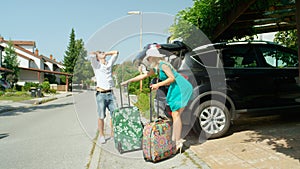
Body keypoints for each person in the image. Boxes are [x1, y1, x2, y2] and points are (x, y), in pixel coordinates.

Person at [121, 48, 193, 153]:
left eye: (149, 58)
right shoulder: (156, 68)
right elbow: (144, 75)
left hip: (181, 87)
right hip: (175, 88)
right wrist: (129, 81)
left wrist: (157, 85)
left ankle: (177, 141)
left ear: (154, 57)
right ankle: (176, 140)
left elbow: (172, 78)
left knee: (176, 114)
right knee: (175, 114)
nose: (148, 60)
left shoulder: (163, 64)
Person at [90, 50, 119, 144]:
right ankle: (101, 135)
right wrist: (97, 54)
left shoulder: (109, 64)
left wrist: (105, 53)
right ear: (98, 57)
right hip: (101, 94)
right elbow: (91, 54)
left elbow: (116, 52)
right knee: (101, 116)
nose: (103, 53)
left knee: (115, 114)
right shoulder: (96, 65)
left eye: (103, 53)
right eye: (101, 53)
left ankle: (113, 134)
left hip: (110, 94)